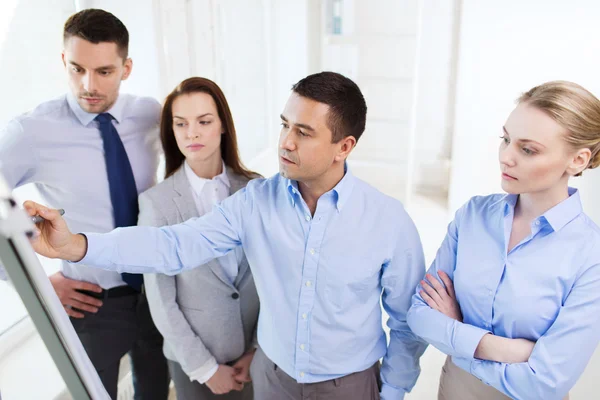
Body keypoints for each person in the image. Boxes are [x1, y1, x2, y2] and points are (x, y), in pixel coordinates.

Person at [24, 71, 428, 400]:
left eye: (303, 132)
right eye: (285, 125)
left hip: (350, 387)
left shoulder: (388, 222)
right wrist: (77, 244)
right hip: (271, 379)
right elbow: (174, 245)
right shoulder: (256, 201)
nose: (285, 142)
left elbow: (408, 322)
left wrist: (391, 392)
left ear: (344, 146)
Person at [0, 9, 169, 399]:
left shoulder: (150, 115)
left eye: (104, 72)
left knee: (156, 390)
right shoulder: (32, 131)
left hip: (158, 291)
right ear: (64, 61)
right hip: (93, 304)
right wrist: (38, 282)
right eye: (76, 69)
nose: (88, 84)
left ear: (126, 68)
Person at [406, 81, 600, 400]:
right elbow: (419, 315)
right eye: (506, 139)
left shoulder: (590, 255)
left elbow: (545, 382)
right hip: (455, 390)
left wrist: (458, 335)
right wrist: (503, 349)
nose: (506, 157)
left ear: (577, 160)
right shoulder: (472, 217)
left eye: (527, 149)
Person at [140, 77, 259, 399]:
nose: (191, 133)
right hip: (195, 364)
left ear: (222, 125)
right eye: (181, 124)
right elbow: (161, 300)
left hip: (255, 357)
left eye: (204, 121)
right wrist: (205, 369)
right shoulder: (157, 203)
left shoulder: (255, 189)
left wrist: (257, 350)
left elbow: (273, 279)